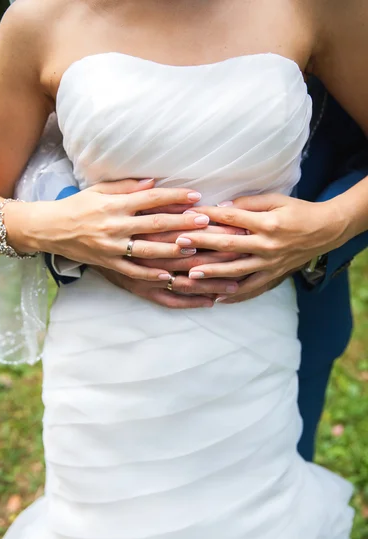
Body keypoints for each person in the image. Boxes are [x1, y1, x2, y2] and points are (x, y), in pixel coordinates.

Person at [0, 1, 368, 539]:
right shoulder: (40, 18)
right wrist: (49, 227)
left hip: (256, 341)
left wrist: (331, 223)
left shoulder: (315, 6)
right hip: (108, 365)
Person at [44, 77, 368, 462]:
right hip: (109, 337)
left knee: (269, 495)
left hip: (287, 324)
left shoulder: (332, 15)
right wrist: (69, 219)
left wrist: (329, 224)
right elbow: (34, 134)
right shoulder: (47, 19)